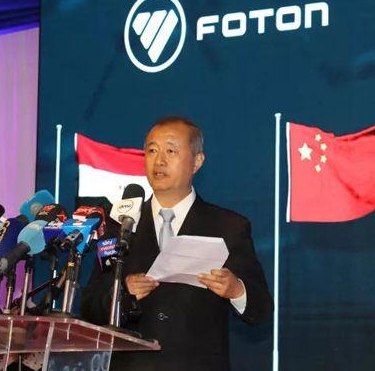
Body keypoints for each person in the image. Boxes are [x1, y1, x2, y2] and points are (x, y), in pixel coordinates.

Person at [81, 116, 273, 371]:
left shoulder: (229, 227)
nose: (159, 160)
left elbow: (261, 310)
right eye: (152, 150)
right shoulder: (119, 226)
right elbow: (90, 308)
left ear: (197, 161)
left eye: (171, 151)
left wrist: (236, 290)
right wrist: (122, 294)